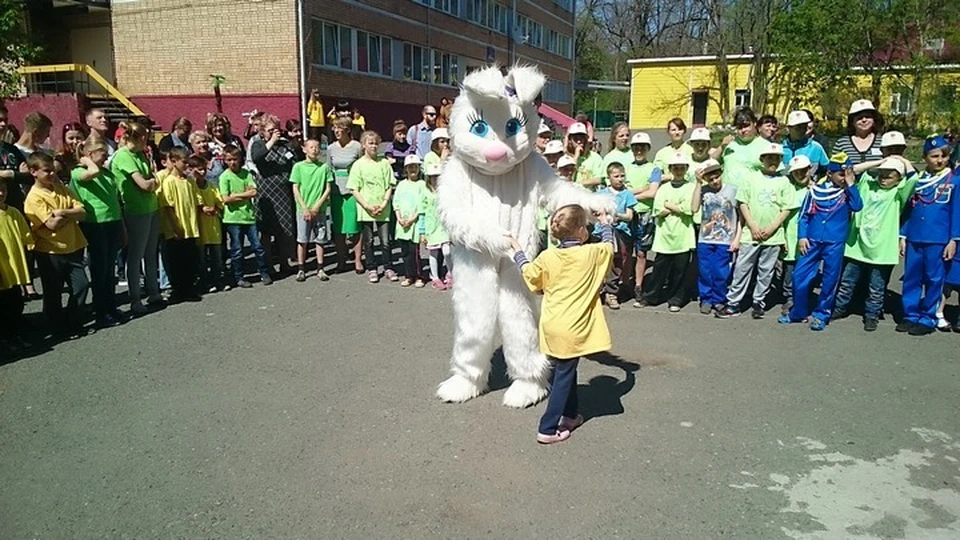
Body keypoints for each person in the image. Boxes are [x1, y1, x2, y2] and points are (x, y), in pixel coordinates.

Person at [506, 204, 614, 444]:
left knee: (565, 369)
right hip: (573, 327)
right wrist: (605, 220)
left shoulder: (548, 256)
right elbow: (609, 244)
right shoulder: (592, 254)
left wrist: (517, 250)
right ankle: (547, 427)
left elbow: (530, 274)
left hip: (552, 324)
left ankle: (570, 414)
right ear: (579, 231)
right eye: (585, 225)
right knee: (563, 375)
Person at [779, 153, 863, 331]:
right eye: (841, 174)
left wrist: (851, 184)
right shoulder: (816, 191)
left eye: (848, 173)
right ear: (830, 174)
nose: (845, 178)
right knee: (799, 276)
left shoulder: (848, 192)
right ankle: (798, 312)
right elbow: (804, 216)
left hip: (834, 242)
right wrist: (802, 236)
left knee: (830, 279)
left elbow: (857, 206)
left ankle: (821, 314)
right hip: (812, 240)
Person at [833, 157, 916, 331]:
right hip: (857, 245)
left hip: (881, 249)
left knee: (876, 287)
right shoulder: (867, 185)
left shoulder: (898, 194)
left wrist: (900, 159)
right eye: (882, 174)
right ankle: (839, 308)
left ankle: (872, 315)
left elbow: (913, 177)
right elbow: (853, 170)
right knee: (847, 281)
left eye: (890, 175)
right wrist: (881, 161)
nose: (884, 178)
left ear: (899, 179)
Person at [716, 142, 793, 319]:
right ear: (762, 159)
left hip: (773, 236)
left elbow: (786, 208)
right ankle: (733, 303)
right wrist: (752, 225)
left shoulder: (784, 181)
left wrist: (772, 228)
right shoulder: (751, 178)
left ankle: (759, 302)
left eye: (776, 158)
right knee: (742, 269)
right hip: (751, 234)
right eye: (769, 157)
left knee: (766, 271)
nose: (772, 161)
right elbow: (743, 202)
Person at [897, 135, 960, 336]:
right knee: (912, 278)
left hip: (939, 238)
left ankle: (928, 317)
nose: (939, 160)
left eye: (943, 155)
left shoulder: (953, 180)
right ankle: (910, 315)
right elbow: (908, 210)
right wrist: (903, 236)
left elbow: (956, 212)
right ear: (925, 157)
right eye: (934, 156)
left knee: (934, 279)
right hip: (916, 236)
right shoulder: (919, 180)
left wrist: (954, 239)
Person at [23, 152, 89, 336]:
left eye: (53, 171)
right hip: (50, 250)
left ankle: (73, 321)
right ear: (33, 172)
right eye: (47, 171)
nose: (52, 175)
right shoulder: (34, 197)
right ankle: (56, 327)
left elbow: (82, 212)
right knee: (54, 292)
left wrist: (62, 213)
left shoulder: (61, 188)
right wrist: (69, 213)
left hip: (73, 246)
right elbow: (50, 224)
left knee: (81, 285)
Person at [70, 139, 125, 327]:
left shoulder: (107, 173)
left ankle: (111, 307)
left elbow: (115, 200)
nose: (107, 158)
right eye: (103, 154)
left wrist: (122, 227)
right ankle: (100, 311)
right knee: (100, 270)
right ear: (91, 154)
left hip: (113, 222)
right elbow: (91, 172)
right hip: (96, 224)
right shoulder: (79, 172)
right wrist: (86, 160)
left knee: (110, 270)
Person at [112, 121, 164, 316]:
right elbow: (145, 184)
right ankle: (135, 299)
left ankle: (154, 292)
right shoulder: (123, 156)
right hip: (135, 210)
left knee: (151, 253)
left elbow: (154, 179)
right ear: (140, 138)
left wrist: (152, 181)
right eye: (146, 138)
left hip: (151, 207)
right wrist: (152, 182)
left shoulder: (141, 154)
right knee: (135, 256)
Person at [639, 152, 700, 311]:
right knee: (659, 270)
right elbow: (658, 210)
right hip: (664, 236)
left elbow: (689, 209)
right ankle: (650, 297)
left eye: (681, 168)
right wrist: (675, 208)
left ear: (686, 169)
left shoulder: (691, 187)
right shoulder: (663, 188)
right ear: (671, 169)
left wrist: (670, 206)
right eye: (675, 168)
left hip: (683, 236)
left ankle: (676, 299)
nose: (678, 170)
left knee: (680, 272)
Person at [251, 114, 298, 277]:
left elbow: (294, 162)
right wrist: (271, 142)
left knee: (284, 231)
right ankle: (268, 266)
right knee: (266, 232)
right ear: (263, 131)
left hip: (283, 192)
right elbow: (257, 158)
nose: (275, 133)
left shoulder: (285, 146)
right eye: (270, 130)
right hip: (266, 194)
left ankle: (284, 263)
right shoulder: (257, 144)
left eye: (276, 129)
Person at [220, 144, 272, 288]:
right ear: (225, 160)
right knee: (237, 250)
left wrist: (236, 195)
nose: (232, 162)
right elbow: (225, 199)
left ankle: (264, 272)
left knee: (258, 247)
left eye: (235, 159)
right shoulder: (225, 177)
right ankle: (239, 277)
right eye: (229, 160)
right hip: (233, 219)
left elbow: (254, 192)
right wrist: (244, 195)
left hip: (249, 217)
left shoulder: (246, 174)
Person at [348, 130, 396, 283]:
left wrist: (383, 203)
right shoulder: (358, 165)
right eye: (370, 143)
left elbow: (390, 185)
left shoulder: (384, 164)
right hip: (366, 210)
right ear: (363, 146)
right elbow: (354, 189)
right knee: (368, 241)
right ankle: (372, 268)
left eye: (376, 143)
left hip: (383, 208)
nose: (374, 146)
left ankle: (388, 266)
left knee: (385, 241)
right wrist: (367, 206)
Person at [157, 147, 202, 302]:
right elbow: (168, 207)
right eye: (184, 161)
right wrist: (176, 227)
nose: (187, 164)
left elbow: (195, 202)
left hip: (190, 228)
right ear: (174, 162)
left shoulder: (189, 181)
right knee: (176, 261)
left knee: (189, 259)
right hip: (176, 229)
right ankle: (178, 290)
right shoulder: (169, 181)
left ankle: (188, 288)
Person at [696, 159, 739, 315]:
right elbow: (694, 208)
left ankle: (719, 299)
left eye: (716, 177)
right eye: (710, 179)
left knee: (721, 272)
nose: (714, 181)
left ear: (721, 174)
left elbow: (740, 216)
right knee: (705, 271)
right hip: (705, 238)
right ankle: (705, 299)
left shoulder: (732, 190)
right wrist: (698, 184)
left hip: (725, 239)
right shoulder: (704, 190)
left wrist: (737, 238)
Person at [624, 132, 662, 304]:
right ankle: (625, 285)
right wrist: (642, 189)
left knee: (641, 253)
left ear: (648, 149)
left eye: (642, 147)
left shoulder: (654, 169)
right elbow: (622, 191)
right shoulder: (626, 167)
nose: (639, 150)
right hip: (627, 213)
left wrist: (632, 193)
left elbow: (653, 192)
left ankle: (638, 286)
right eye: (636, 147)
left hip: (645, 215)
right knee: (625, 252)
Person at [290, 139, 332, 282]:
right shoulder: (298, 167)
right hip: (303, 210)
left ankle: (320, 268)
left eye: (317, 147)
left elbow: (327, 189)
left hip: (319, 209)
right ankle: (301, 269)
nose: (314, 150)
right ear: (304, 149)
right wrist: (305, 208)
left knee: (320, 240)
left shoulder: (324, 167)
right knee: (302, 240)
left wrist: (317, 206)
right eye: (311, 147)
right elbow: (295, 188)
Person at [327, 117, 364, 273]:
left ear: (347, 130)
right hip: (336, 192)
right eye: (334, 128)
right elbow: (328, 170)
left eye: (339, 128)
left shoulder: (356, 147)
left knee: (355, 227)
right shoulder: (330, 148)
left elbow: (362, 167)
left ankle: (357, 260)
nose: (336, 131)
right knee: (339, 229)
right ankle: (341, 261)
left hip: (352, 191)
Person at [597, 162, 637, 310]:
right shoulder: (601, 194)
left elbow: (629, 216)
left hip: (620, 232)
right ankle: (597, 289)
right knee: (600, 260)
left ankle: (611, 292)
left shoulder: (627, 194)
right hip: (602, 231)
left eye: (622, 176)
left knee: (617, 261)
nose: (620, 179)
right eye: (616, 176)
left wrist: (617, 215)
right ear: (609, 178)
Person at [0, 180, 33, 350]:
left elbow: (26, 236)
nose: (1, 193)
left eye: (3, 190)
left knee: (16, 303)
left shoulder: (13, 212)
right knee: (3, 306)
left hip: (15, 267)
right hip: (2, 269)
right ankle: (6, 338)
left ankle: (15, 335)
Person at [187, 155, 227, 293]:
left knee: (217, 257)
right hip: (200, 228)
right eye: (199, 170)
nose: (202, 173)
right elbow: (194, 203)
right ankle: (204, 282)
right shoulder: (191, 186)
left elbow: (219, 201)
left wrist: (215, 208)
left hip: (213, 227)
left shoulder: (211, 185)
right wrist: (202, 208)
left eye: (204, 169)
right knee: (202, 259)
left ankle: (218, 280)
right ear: (192, 170)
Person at [780, 155, 813, 316]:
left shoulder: (817, 189)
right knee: (789, 272)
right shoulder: (789, 190)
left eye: (803, 171)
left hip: (809, 240)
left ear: (810, 169)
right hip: (791, 238)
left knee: (807, 273)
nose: (800, 175)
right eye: (796, 172)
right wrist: (783, 238)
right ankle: (789, 299)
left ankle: (803, 299)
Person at [713, 107, 769, 187]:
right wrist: (721, 147)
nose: (743, 130)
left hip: (751, 194)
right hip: (726, 195)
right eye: (739, 127)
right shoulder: (729, 144)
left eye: (746, 126)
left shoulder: (766, 146)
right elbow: (711, 162)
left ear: (755, 123)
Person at [394, 155, 426, 287]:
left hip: (415, 224)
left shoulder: (422, 184)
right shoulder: (401, 184)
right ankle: (409, 276)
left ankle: (419, 276)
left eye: (415, 166)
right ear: (405, 169)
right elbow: (396, 202)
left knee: (415, 252)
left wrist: (412, 219)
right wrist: (399, 218)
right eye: (410, 167)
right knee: (405, 252)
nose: (413, 169)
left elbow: (422, 205)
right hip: (402, 224)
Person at [421, 163, 451, 289]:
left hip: (444, 226)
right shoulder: (425, 191)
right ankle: (435, 277)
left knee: (447, 251)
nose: (435, 179)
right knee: (433, 253)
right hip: (431, 227)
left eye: (438, 176)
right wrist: (422, 231)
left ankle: (450, 273)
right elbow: (421, 212)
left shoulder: (445, 191)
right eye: (433, 177)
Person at [832, 99, 884, 167]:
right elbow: (834, 168)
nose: (864, 120)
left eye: (868, 117)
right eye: (859, 118)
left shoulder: (883, 141)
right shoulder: (841, 143)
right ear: (852, 122)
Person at [782, 110, 829, 176]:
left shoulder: (816, 147)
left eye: (804, 127)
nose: (802, 130)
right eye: (798, 127)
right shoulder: (780, 148)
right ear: (788, 128)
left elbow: (826, 170)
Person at [567, 122, 603, 189]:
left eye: (581, 138)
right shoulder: (566, 158)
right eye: (575, 139)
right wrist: (576, 157)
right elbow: (566, 177)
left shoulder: (595, 157)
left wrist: (579, 184)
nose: (579, 142)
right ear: (570, 140)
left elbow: (599, 179)